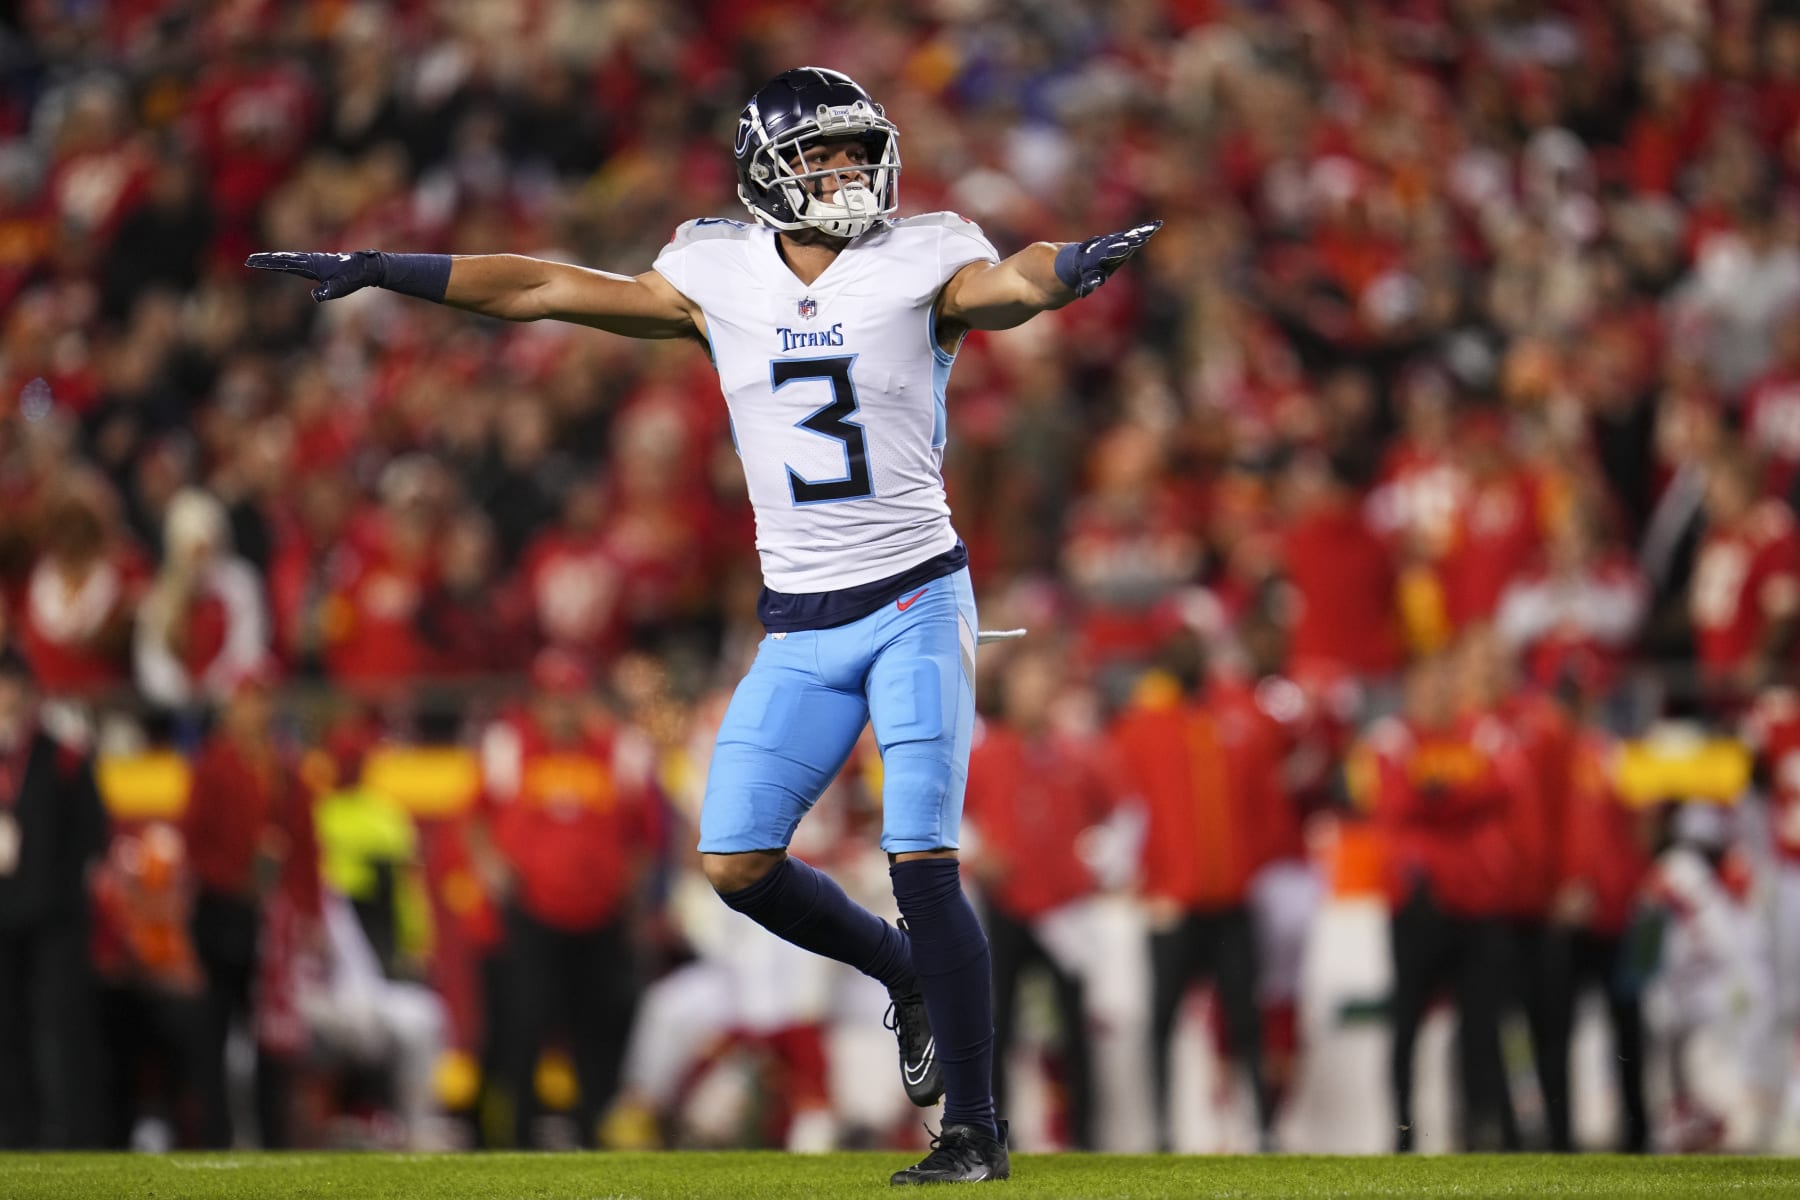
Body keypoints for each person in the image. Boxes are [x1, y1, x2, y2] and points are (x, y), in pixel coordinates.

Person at [250, 65, 1159, 1184]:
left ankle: (971, 1129)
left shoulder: (921, 253)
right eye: (824, 156)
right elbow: (542, 288)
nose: (850, 175)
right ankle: (904, 975)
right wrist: (391, 269)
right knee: (734, 861)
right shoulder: (715, 267)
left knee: (923, 858)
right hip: (800, 622)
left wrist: (1068, 270)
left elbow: (1002, 287)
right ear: (768, 169)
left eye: (856, 153)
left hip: (919, 593)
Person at [0, 647, 109, 1148]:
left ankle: (70, 1143)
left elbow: (93, 831)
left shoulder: (60, 755)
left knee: (59, 1037)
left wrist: (59, 888)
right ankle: (15, 1143)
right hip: (5, 918)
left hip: (54, 920)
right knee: (8, 1035)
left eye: (11, 685)